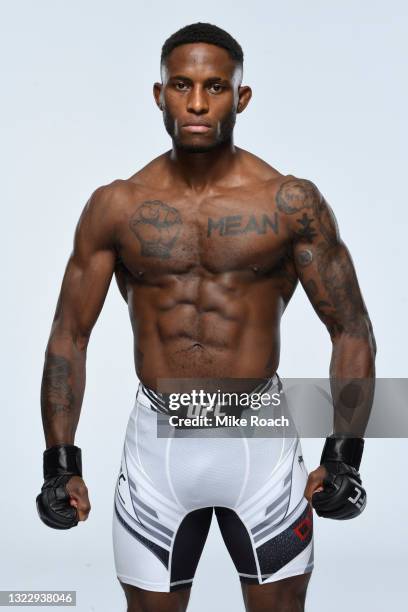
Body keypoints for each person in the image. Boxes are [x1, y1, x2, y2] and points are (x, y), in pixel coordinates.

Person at [36, 22, 376, 612]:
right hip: (156, 448)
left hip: (261, 442)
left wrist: (343, 455)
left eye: (215, 86)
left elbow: (352, 330)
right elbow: (70, 335)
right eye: (181, 85)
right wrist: (59, 464)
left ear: (241, 97)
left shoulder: (289, 202)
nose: (196, 102)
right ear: (159, 93)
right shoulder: (116, 205)